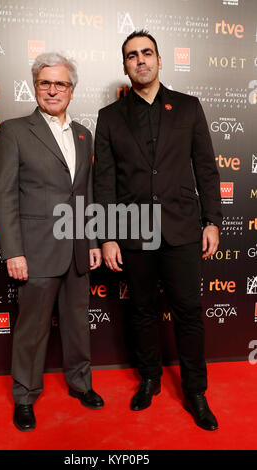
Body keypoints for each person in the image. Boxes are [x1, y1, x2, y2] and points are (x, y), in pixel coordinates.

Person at [93, 30, 222, 431]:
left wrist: (212, 221)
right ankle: (148, 379)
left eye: (147, 53)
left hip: (182, 228)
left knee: (188, 313)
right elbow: (104, 182)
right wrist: (108, 234)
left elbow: (206, 168)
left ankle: (196, 391)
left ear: (160, 60)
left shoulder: (188, 107)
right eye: (132, 55)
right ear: (125, 65)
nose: (141, 60)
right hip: (132, 231)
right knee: (142, 311)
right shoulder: (110, 117)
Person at [0, 52, 104, 432]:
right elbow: (4, 195)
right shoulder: (14, 130)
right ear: (34, 86)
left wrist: (91, 241)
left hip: (76, 247)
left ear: (72, 90)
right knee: (32, 329)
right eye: (45, 82)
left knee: (77, 324)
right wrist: (14, 251)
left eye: (61, 83)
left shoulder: (83, 134)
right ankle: (25, 394)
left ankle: (80, 383)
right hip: (35, 249)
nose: (53, 89)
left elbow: (85, 193)